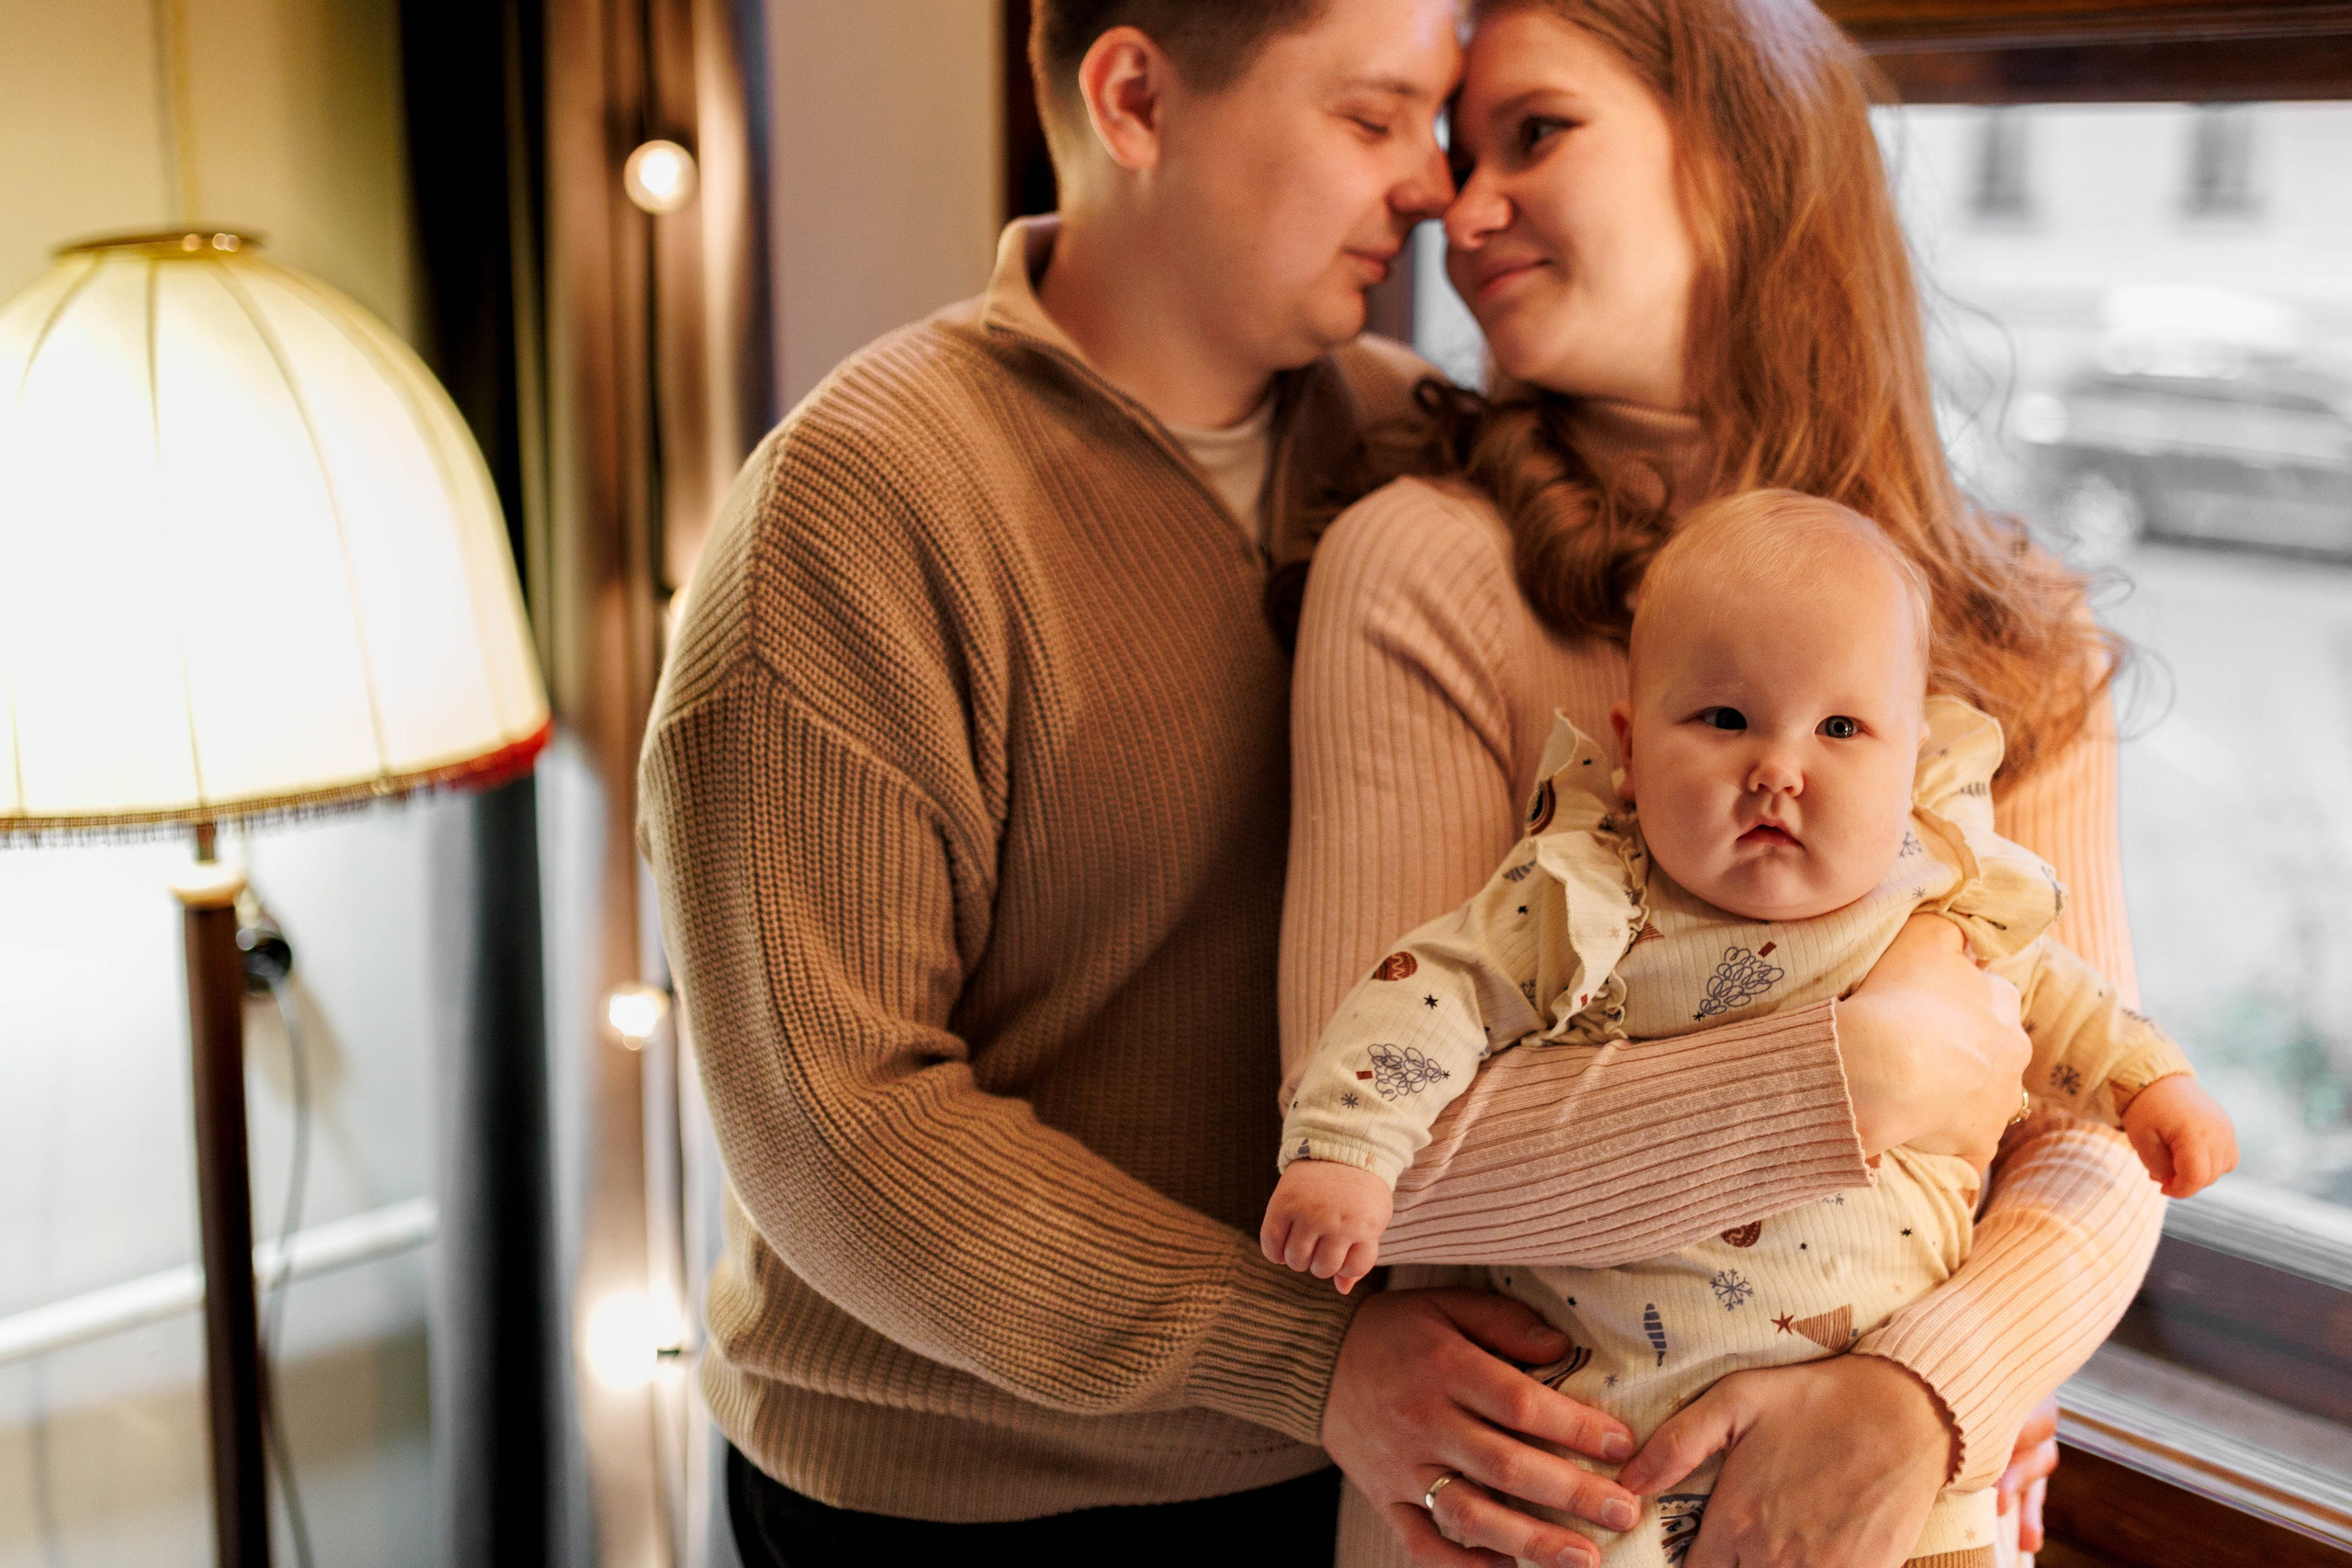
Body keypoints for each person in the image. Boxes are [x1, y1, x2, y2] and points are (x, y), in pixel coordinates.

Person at [643, 2, 2048, 1564]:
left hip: (1368, 1458)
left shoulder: (1393, 430)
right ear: (1134, 99)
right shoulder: (859, 509)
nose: (1439, 192)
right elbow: (835, 1129)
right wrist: (1304, 1358)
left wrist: (1952, 1364)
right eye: (1375, 121)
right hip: (973, 1490)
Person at [1282, 4, 2181, 1566]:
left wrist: (1922, 1397)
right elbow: (1378, 1159)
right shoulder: (1425, 569)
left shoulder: (2016, 624)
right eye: (1457, 153)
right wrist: (1868, 1077)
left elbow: (2094, 1142)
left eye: (1535, 135)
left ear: (1746, 157)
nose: (1462, 206)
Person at [1270, 491, 2237, 1563]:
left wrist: (2153, 1086)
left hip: (1888, 1473)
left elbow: (2063, 1001)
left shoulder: (1938, 897)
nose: (1778, 768)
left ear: (1913, 760)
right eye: (1724, 721)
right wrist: (1350, 1155)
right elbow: (1424, 993)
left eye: (1839, 730)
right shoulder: (1581, 894)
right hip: (1620, 1458)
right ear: (1629, 751)